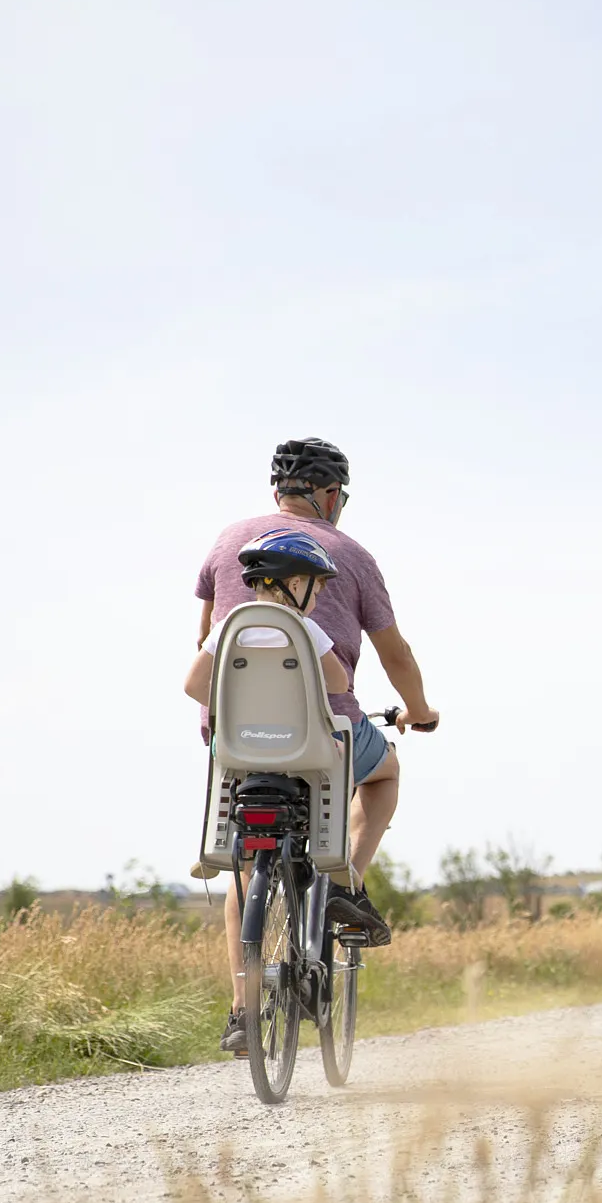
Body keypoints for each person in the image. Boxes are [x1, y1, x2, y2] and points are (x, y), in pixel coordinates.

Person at [195, 439, 439, 1050]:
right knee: (384, 775)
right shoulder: (348, 554)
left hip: (237, 740)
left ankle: (241, 1013)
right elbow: (390, 656)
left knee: (246, 867)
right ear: (330, 495)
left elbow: (202, 643)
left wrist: (217, 713)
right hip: (320, 735)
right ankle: (344, 881)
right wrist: (419, 710)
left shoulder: (229, 543)